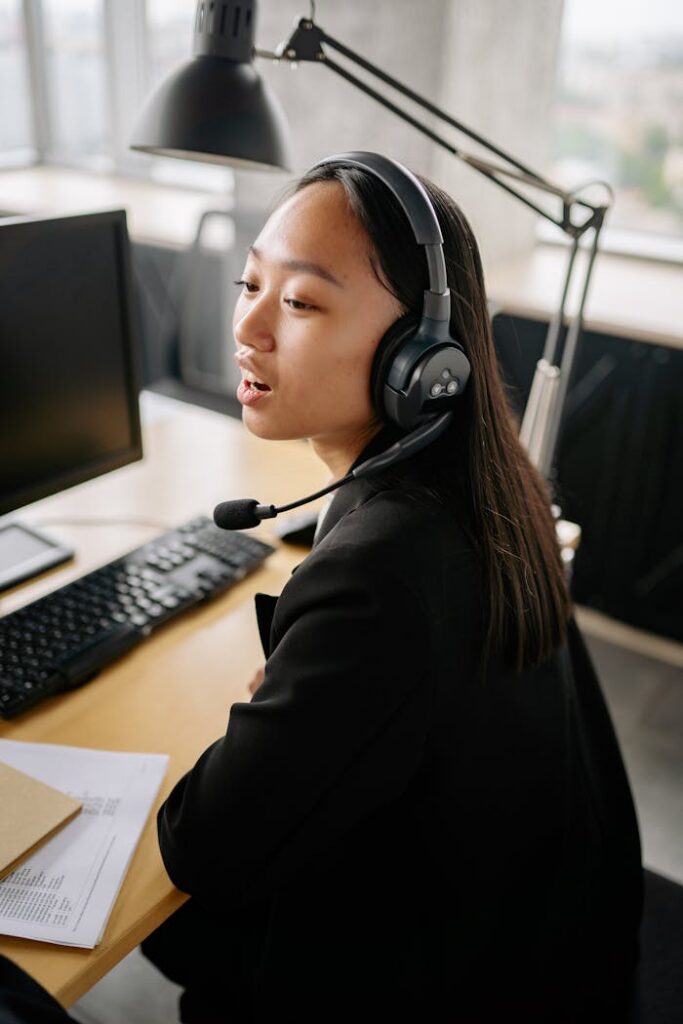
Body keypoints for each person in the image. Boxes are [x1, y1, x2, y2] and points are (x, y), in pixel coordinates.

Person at [141, 153, 643, 1023]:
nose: (249, 329)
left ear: (421, 358)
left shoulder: (379, 572)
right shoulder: (491, 483)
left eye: (298, 302)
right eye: (248, 283)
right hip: (542, 942)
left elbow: (202, 849)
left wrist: (286, 696)